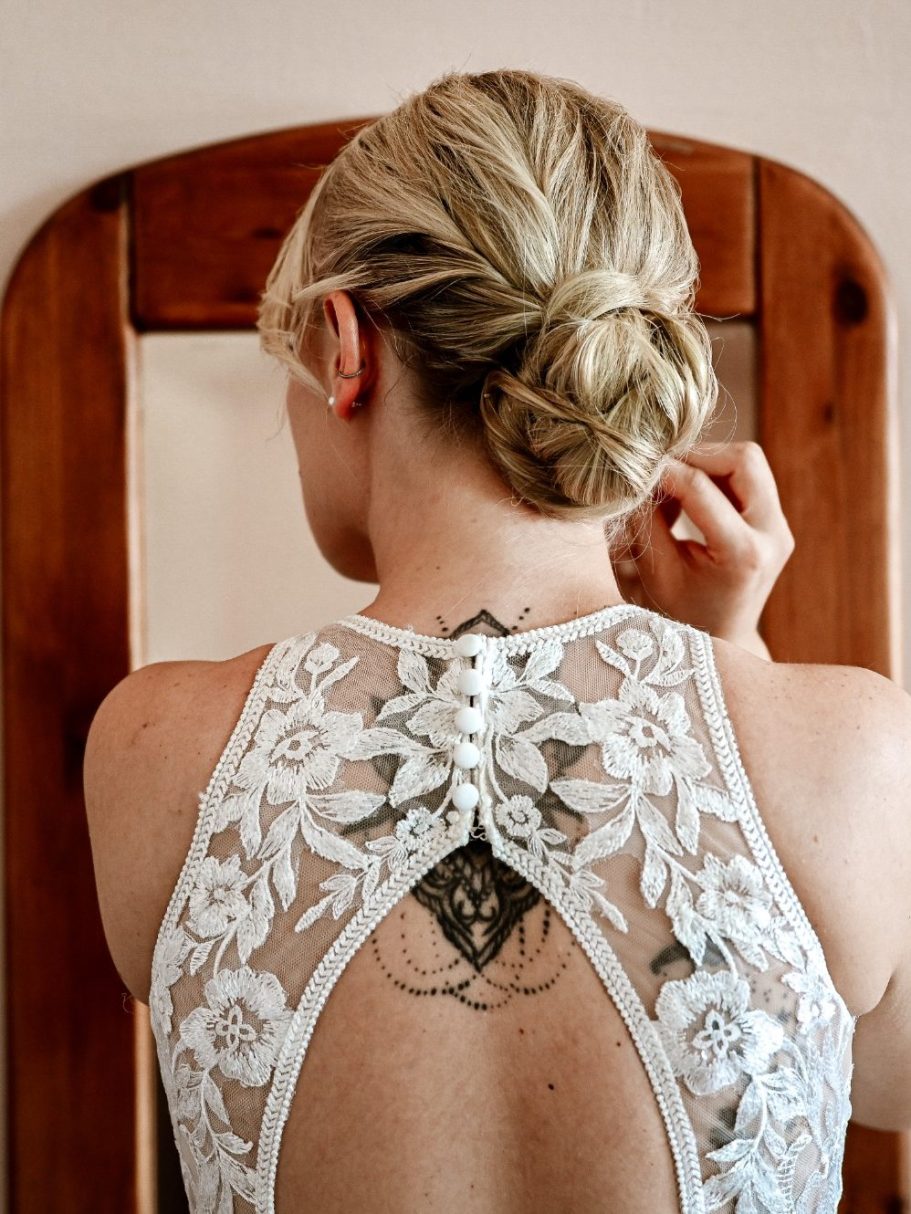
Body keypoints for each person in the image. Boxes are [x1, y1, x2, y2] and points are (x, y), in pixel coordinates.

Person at [83, 69, 911, 1213]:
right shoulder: (847, 745)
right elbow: (883, 1080)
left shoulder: (154, 746)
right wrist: (734, 661)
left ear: (344, 348)